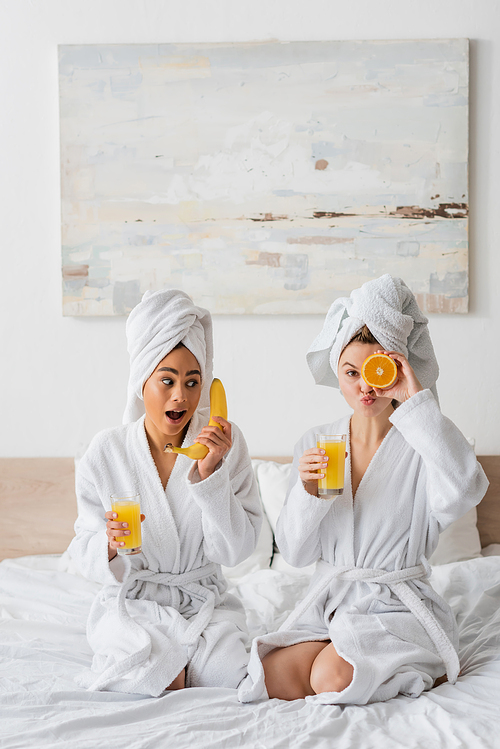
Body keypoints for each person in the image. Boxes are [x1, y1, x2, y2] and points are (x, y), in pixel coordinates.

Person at [239, 274, 488, 706]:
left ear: (399, 368)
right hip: (333, 600)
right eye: (351, 372)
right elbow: (296, 555)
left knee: (331, 676)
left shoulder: (425, 442)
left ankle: (402, 662)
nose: (365, 387)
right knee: (269, 678)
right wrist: (308, 495)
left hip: (398, 607)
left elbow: (466, 490)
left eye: (377, 371)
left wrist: (416, 404)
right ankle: (343, 658)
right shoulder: (318, 443)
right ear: (337, 373)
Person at [68, 288, 262, 697]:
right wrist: (107, 544)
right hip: (135, 601)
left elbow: (237, 552)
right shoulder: (106, 452)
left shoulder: (225, 444)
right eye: (167, 381)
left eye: (193, 382)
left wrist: (211, 478)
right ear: (143, 381)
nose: (181, 396)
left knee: (233, 682)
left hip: (203, 602)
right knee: (153, 676)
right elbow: (79, 551)